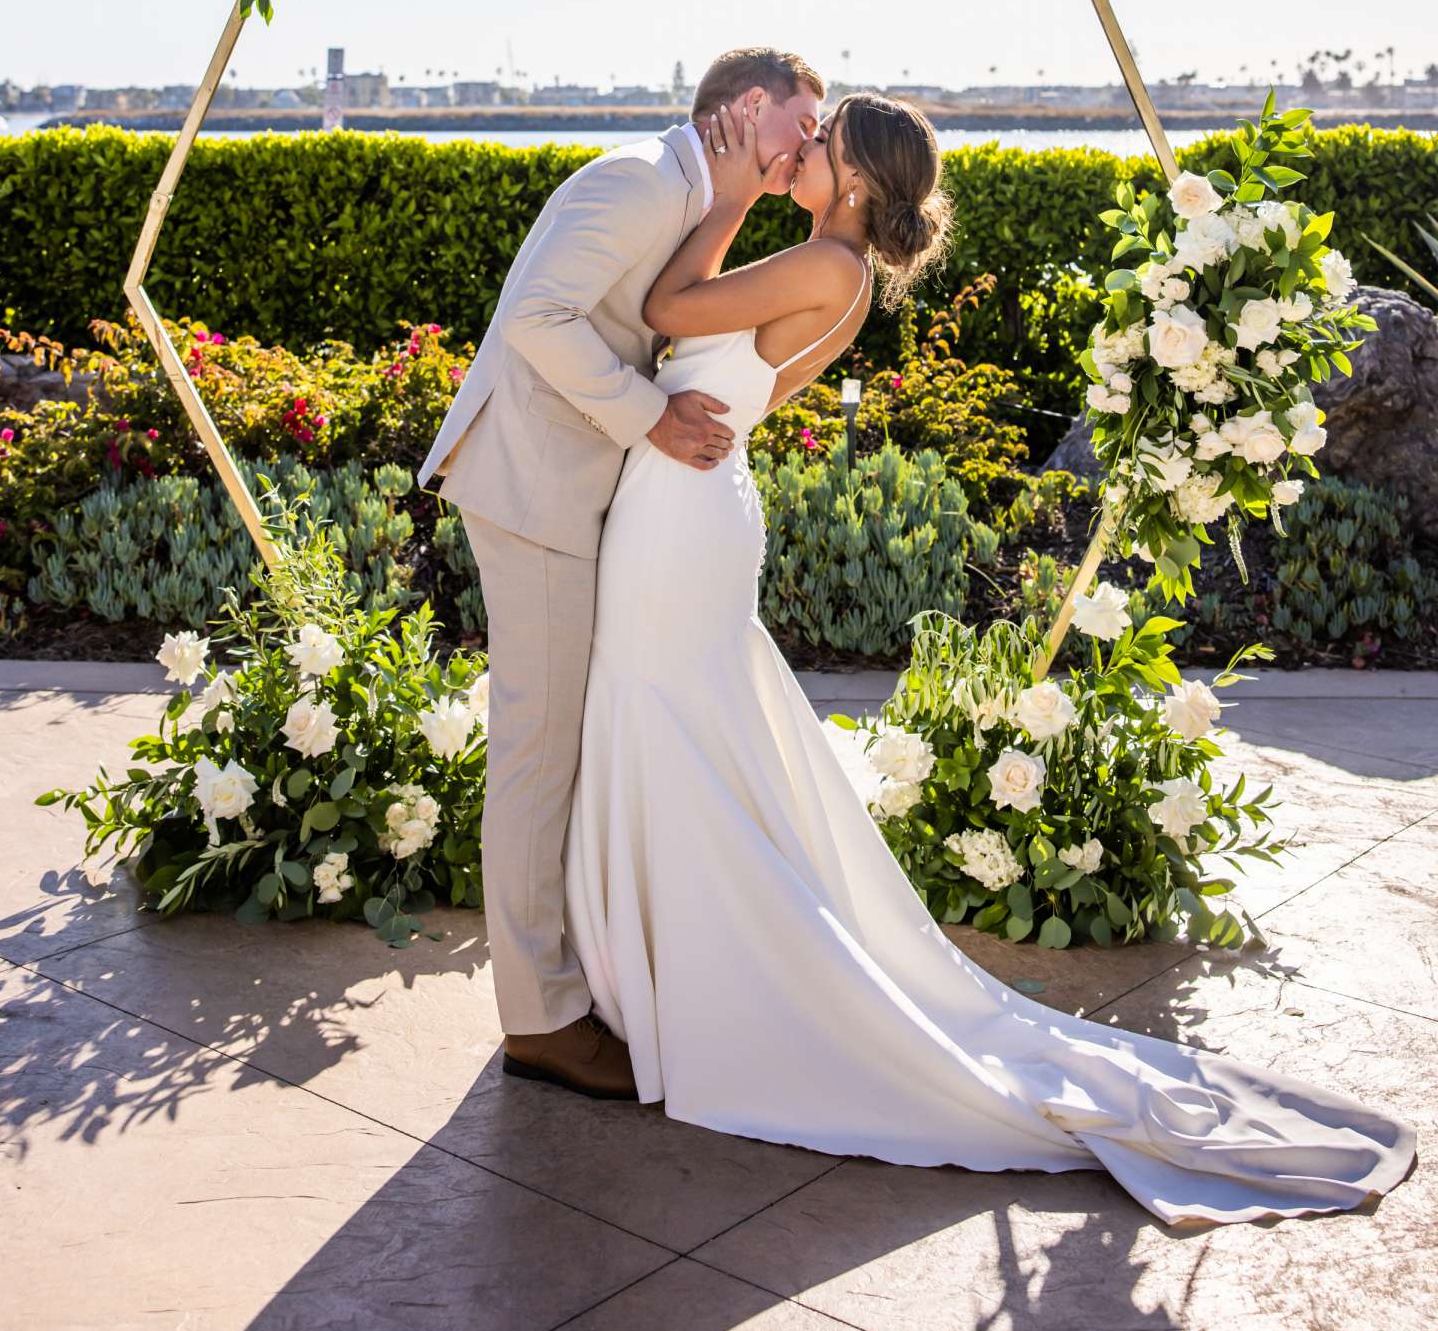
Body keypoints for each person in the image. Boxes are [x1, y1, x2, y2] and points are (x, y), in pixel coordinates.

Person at [558, 89, 1417, 1230]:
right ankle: (659, 978)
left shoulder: (822, 268)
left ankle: (688, 990)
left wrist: (720, 194)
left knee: (662, 718)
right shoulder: (832, 268)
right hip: (696, 502)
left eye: (816, 147)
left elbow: (664, 312)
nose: (797, 152)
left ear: (854, 180)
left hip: (681, 516)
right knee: (672, 721)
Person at [418, 46, 825, 1096]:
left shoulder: (690, 193)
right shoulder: (638, 179)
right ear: (745, 107)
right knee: (538, 754)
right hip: (533, 490)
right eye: (800, 120)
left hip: (575, 491)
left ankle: (574, 976)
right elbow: (537, 321)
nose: (808, 146)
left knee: (563, 744)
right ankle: (540, 1021)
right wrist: (651, 419)